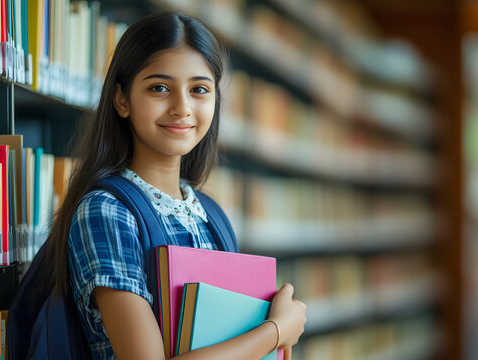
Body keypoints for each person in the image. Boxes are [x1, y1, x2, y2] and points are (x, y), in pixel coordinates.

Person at [39, 11, 306, 360]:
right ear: (122, 99)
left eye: (199, 89)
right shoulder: (106, 211)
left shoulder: (211, 214)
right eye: (159, 88)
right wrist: (275, 331)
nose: (182, 108)